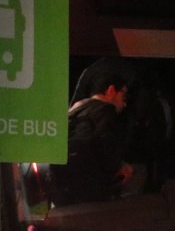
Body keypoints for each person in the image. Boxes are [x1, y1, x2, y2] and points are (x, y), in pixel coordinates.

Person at [51, 58, 136, 204]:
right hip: (90, 191)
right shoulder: (105, 110)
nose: (125, 102)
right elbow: (107, 148)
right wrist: (121, 167)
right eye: (123, 94)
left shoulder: (76, 109)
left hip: (65, 188)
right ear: (111, 90)